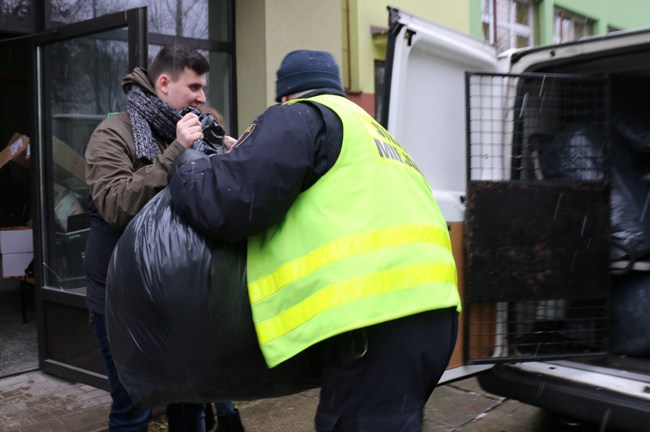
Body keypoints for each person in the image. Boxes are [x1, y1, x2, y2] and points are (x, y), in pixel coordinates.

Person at [168, 49, 461, 431]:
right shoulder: (368, 127)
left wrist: (186, 168)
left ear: (288, 96)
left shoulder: (298, 116)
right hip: (432, 312)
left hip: (378, 318)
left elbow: (231, 201)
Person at [85, 43, 213, 432]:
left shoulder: (193, 130)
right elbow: (114, 203)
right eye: (194, 87)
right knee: (134, 408)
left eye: (203, 88)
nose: (202, 97)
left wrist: (232, 161)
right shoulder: (114, 133)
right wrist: (176, 152)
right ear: (163, 83)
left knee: (190, 402)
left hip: (179, 295)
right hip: (120, 298)